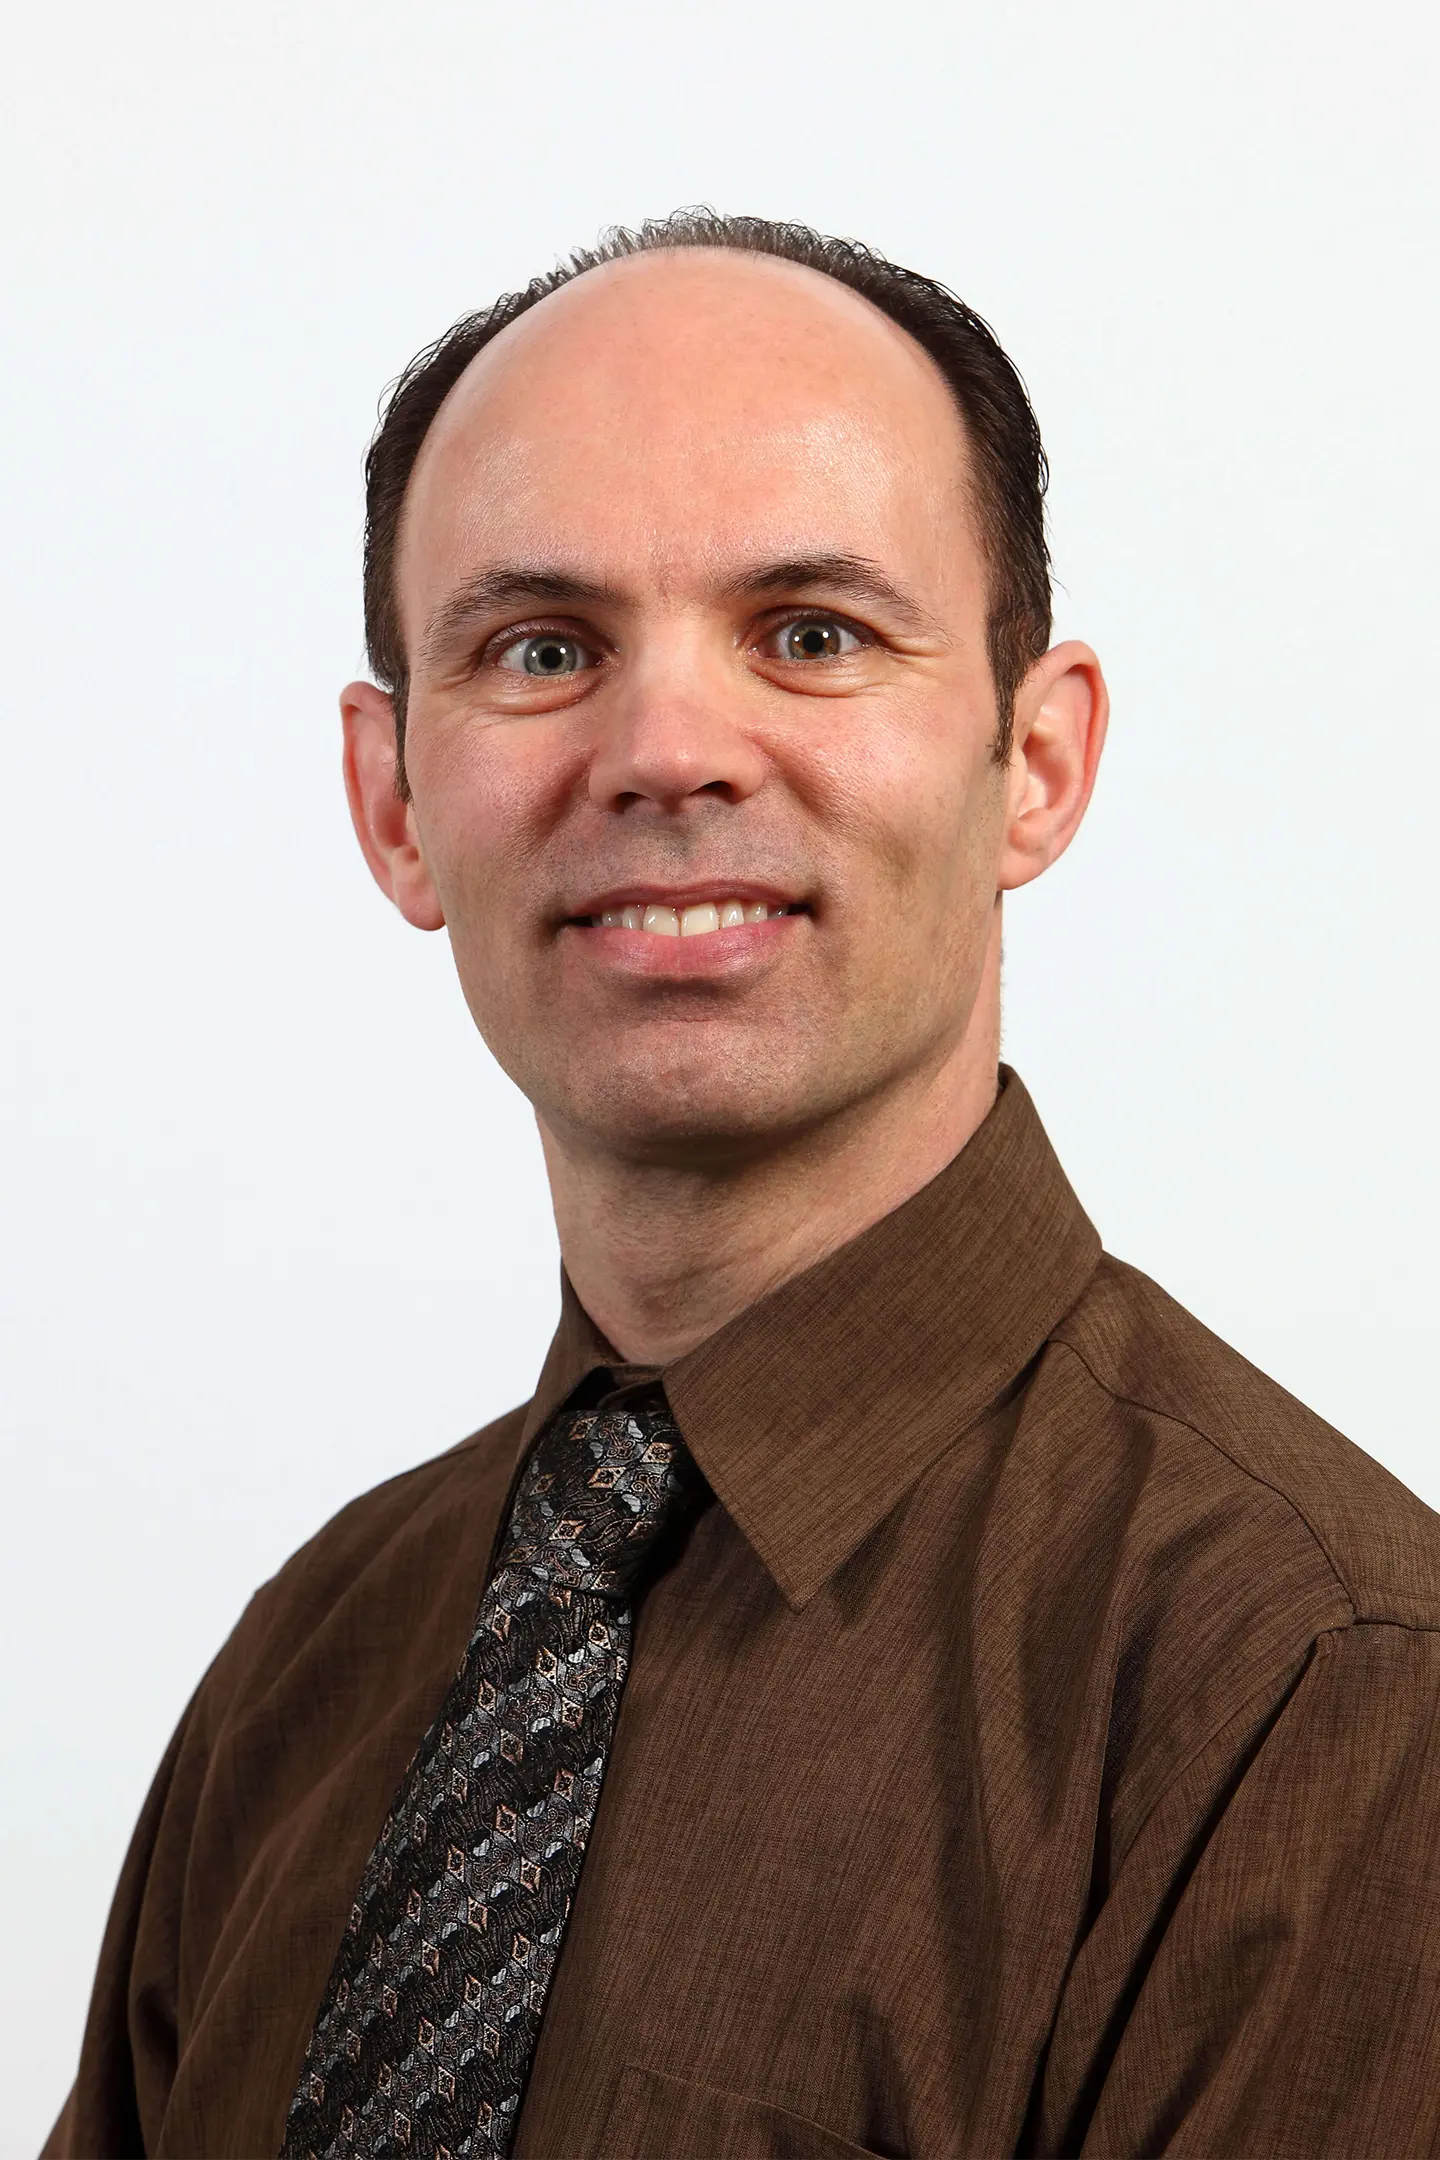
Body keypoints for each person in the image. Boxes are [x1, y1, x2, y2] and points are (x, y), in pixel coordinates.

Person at [45, 211, 1440, 2160]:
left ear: (1032, 761)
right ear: (396, 804)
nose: (670, 750)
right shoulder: (313, 1660)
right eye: (543, 649)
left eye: (811, 634)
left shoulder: (1322, 1693)